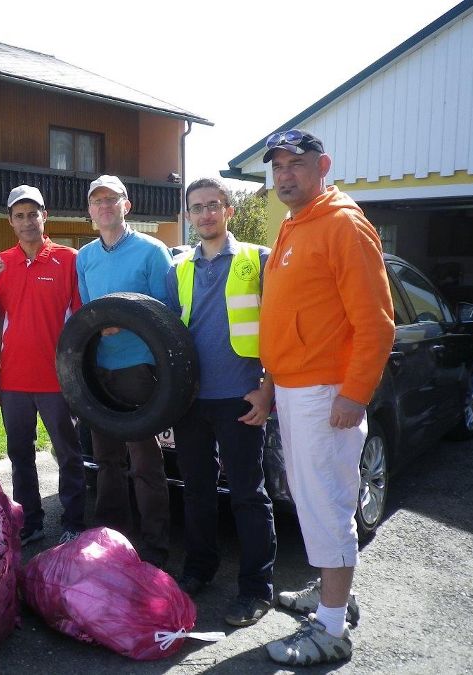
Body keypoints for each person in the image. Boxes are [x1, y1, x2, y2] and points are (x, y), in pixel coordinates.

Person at [259, 130, 394, 665]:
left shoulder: (343, 224)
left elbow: (377, 324)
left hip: (326, 392)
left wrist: (355, 393)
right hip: (296, 388)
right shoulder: (296, 224)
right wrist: (272, 381)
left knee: (328, 504)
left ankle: (332, 628)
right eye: (278, 167)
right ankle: (332, 592)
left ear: (323, 165)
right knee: (311, 499)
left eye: (297, 163)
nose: (285, 174)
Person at [165, 177, 276, 627]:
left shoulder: (259, 259)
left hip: (241, 399)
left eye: (214, 205)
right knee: (197, 492)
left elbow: (281, 330)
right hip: (192, 401)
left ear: (229, 209)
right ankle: (199, 569)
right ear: (189, 216)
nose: (206, 214)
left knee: (249, 495)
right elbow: (170, 334)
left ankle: (256, 589)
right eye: (197, 207)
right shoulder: (181, 269)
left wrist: (268, 390)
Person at [75, 175, 173, 568]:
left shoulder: (153, 251)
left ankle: (154, 545)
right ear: (90, 211)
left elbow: (167, 312)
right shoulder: (85, 257)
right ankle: (112, 538)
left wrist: (124, 322)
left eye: (111, 200)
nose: (104, 207)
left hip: (139, 368)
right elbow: (86, 311)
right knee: (107, 458)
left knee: (145, 459)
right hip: (100, 370)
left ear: (126, 205)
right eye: (96, 202)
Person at [0, 185, 86, 547]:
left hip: (57, 379)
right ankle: (30, 522)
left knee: (67, 452)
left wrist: (76, 375)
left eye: (34, 213)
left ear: (45, 216)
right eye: (20, 215)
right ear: (10, 221)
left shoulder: (69, 259)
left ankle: (74, 520)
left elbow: (80, 320)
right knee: (20, 454)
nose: (27, 221)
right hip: (13, 378)